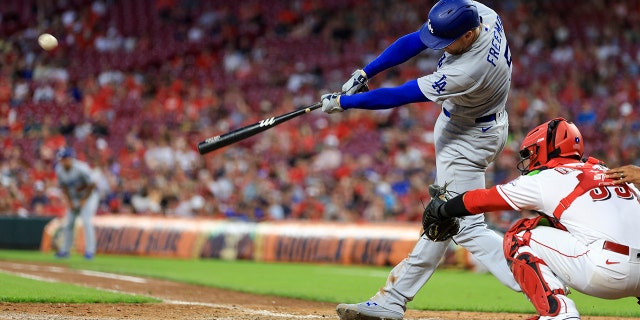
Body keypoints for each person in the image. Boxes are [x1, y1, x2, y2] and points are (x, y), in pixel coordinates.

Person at [320, 0, 520, 319]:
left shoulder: (469, 70)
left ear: (469, 35)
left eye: (447, 42)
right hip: (476, 123)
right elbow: (416, 39)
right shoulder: (482, 13)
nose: (437, 47)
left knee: (464, 226)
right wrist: (365, 71)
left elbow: (401, 95)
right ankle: (393, 298)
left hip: (468, 137)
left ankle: (539, 279)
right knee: (443, 218)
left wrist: (346, 102)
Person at [424, 118, 640, 319]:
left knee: (520, 234)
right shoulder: (610, 171)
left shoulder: (548, 177)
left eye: (531, 153)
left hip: (607, 272)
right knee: (558, 225)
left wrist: (443, 209)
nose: (529, 160)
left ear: (544, 149)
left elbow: (485, 199)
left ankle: (559, 312)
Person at [54, 147, 99, 260]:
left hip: (89, 197)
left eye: (65, 158)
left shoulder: (81, 168)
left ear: (71, 158)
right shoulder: (59, 170)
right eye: (62, 159)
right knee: (69, 223)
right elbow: (64, 187)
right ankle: (64, 251)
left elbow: (93, 184)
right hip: (74, 197)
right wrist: (69, 202)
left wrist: (84, 199)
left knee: (86, 222)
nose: (63, 161)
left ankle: (90, 251)